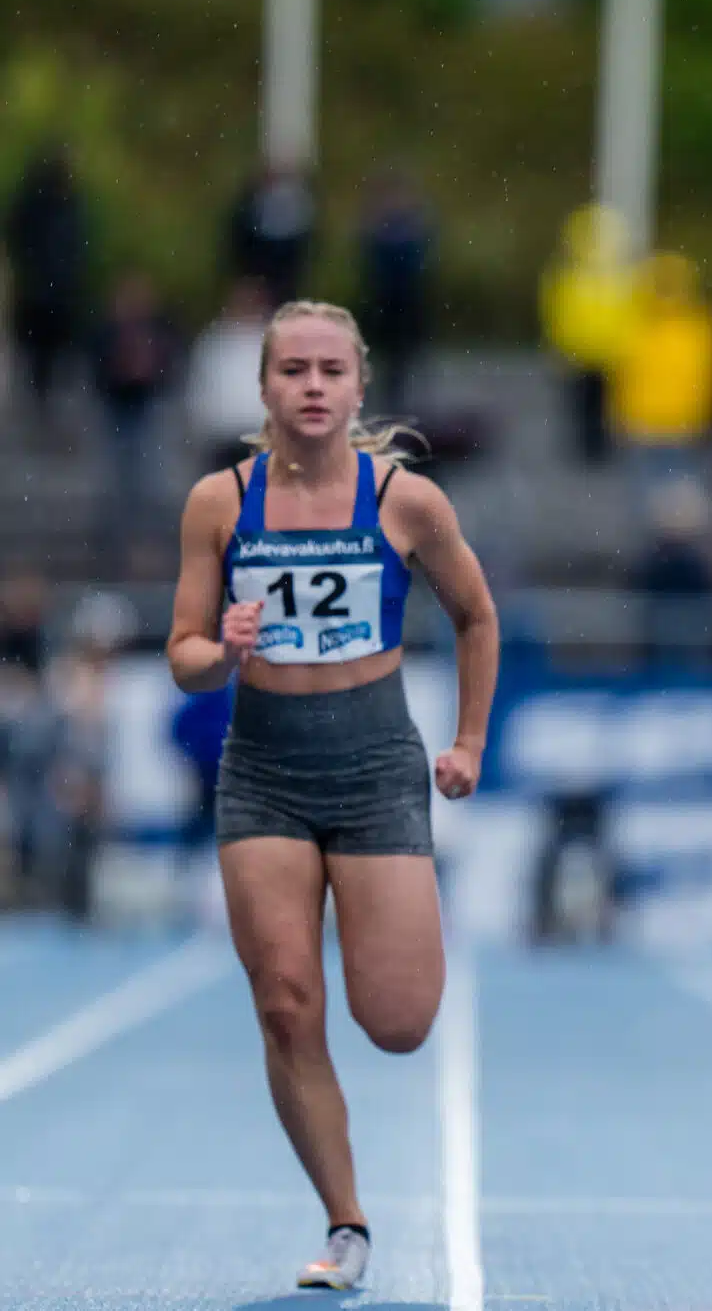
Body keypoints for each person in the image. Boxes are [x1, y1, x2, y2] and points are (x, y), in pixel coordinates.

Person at [165, 300, 499, 1291]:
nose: (311, 388)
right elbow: (181, 655)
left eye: (329, 371)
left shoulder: (404, 502)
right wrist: (216, 648)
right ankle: (346, 1220)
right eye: (292, 371)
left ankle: (389, 970)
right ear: (263, 389)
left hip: (373, 767)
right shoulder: (219, 502)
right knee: (283, 1000)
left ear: (358, 388)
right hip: (262, 768)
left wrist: (469, 741)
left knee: (396, 1021)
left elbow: (477, 618)